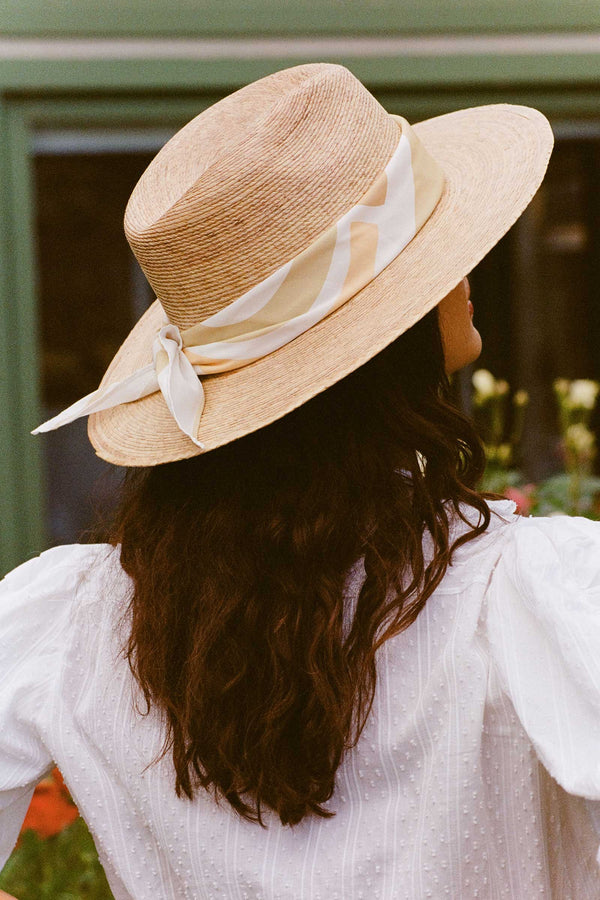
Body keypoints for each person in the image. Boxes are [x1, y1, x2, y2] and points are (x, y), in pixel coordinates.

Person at [0, 62, 598, 899]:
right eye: (434, 252)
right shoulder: (532, 593)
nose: (469, 267)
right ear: (380, 346)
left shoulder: (75, 622)